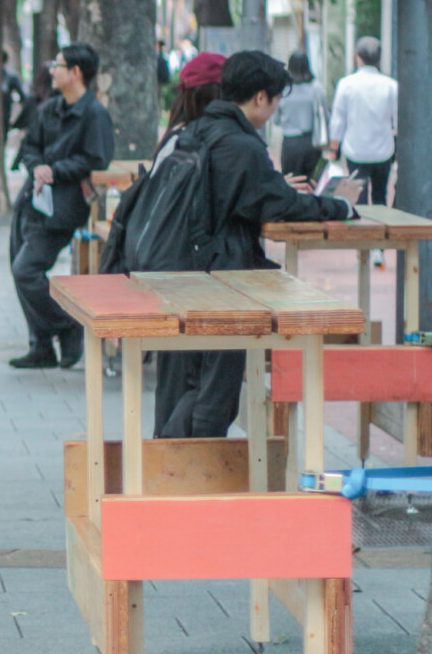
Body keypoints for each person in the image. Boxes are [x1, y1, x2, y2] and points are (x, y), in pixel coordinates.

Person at [149, 53, 355, 437]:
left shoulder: (196, 130)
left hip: (181, 271)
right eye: (275, 100)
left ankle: (166, 456)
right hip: (222, 280)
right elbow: (279, 204)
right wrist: (340, 206)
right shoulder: (241, 145)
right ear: (261, 97)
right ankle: (194, 461)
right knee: (215, 390)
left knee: (186, 380)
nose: (275, 110)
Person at [9, 43, 115, 370]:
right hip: (32, 200)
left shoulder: (94, 114)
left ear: (75, 72)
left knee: (26, 270)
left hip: (62, 207)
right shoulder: (50, 109)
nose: (52, 70)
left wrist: (55, 171)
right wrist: (38, 167)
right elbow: (30, 148)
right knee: (19, 270)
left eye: (58, 65)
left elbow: (96, 159)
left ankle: (67, 325)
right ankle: (41, 346)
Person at [329, 37, 399, 206]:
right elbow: (397, 118)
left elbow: (338, 119)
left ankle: (361, 222)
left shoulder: (346, 84)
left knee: (358, 197)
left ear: (358, 57)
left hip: (355, 150)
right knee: (380, 197)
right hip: (383, 151)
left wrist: (334, 147)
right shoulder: (390, 85)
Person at [275, 52, 325, 180]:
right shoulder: (316, 88)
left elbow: (276, 120)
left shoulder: (282, 89)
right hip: (311, 142)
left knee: (291, 182)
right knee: (312, 183)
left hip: (290, 143)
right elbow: (323, 115)